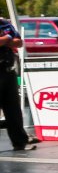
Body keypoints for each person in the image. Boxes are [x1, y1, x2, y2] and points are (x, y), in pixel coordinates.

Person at [0, 15, 30, 151]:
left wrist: (7, 40)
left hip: (8, 70)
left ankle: (20, 142)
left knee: (13, 109)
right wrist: (7, 38)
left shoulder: (5, 24)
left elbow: (19, 42)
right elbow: (9, 39)